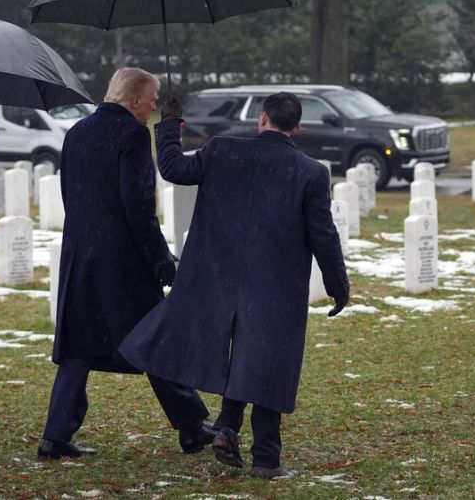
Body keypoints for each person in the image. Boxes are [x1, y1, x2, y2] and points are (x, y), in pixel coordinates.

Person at [120, 92, 350, 479]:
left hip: (218, 276)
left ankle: (227, 427)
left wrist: (171, 122)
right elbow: (322, 235)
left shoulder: (222, 150)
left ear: (262, 119)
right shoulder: (310, 172)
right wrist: (337, 283)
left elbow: (174, 168)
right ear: (296, 128)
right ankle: (266, 459)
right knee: (268, 364)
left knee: (246, 358)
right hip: (276, 284)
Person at [37, 67, 215, 460]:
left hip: (81, 253)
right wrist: (160, 259)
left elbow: (72, 194)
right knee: (156, 336)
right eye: (152, 100)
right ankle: (191, 427)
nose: (153, 107)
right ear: (134, 100)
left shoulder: (77, 131)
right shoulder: (132, 135)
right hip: (122, 261)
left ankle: (54, 436)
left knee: (78, 348)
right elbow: (138, 206)